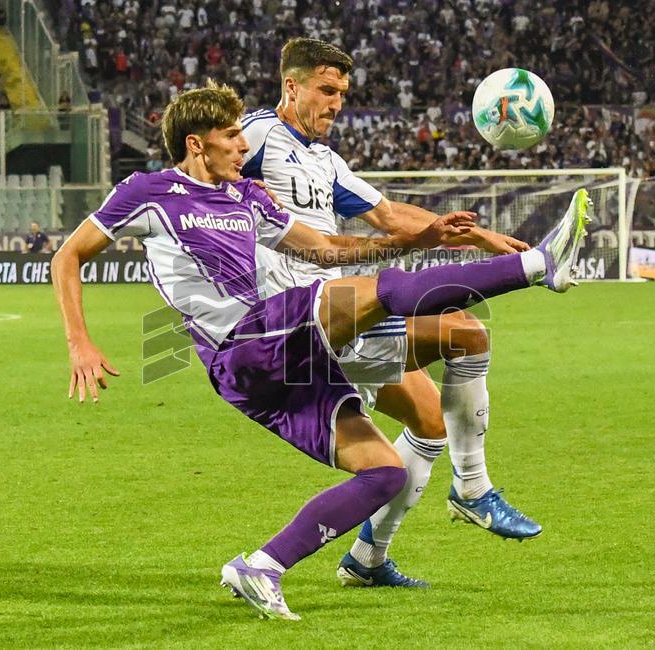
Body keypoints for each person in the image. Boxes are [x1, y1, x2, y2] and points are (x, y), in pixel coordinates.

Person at [51, 82, 589, 620]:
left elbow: (330, 249)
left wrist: (424, 238)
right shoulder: (150, 191)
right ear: (197, 144)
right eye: (231, 136)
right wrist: (80, 341)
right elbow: (68, 255)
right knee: (387, 291)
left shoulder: (246, 198)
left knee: (384, 473)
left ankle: (261, 566)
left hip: (279, 356)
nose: (243, 146)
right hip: (244, 343)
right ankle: (540, 266)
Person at [241, 37, 540, 588]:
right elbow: (197, 166)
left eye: (342, 94)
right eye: (325, 90)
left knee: (429, 420)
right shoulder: (257, 134)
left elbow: (388, 214)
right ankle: (472, 488)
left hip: (342, 315)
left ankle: (368, 560)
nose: (335, 104)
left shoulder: (324, 159)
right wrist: (232, 187)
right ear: (291, 85)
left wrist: (479, 236)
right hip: (296, 321)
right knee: (465, 333)